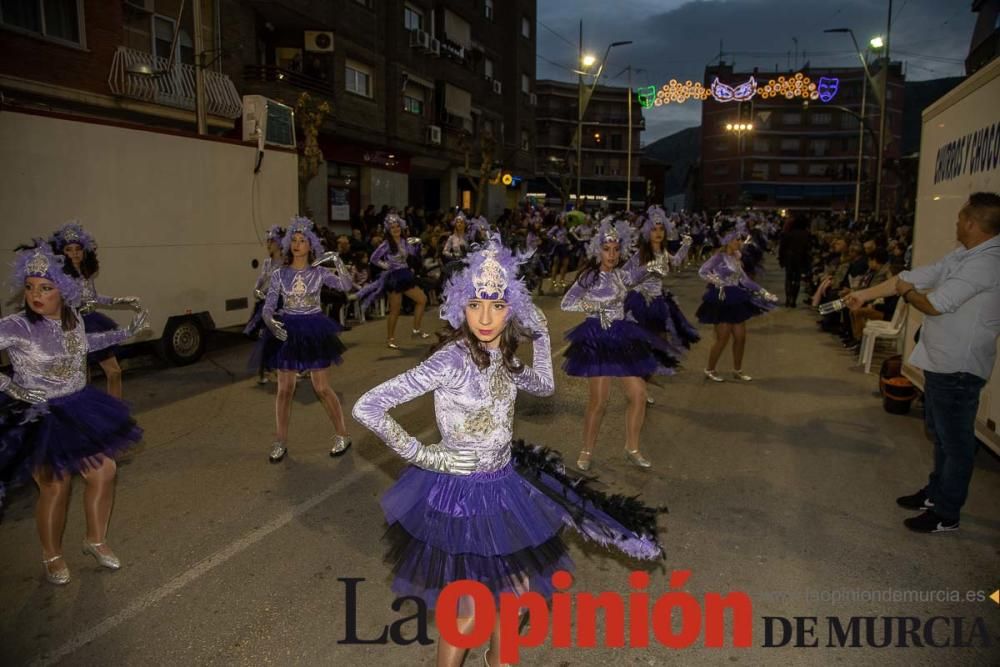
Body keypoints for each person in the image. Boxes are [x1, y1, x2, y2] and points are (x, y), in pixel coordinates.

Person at [353, 236, 663, 667]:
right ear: (460, 306)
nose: (485, 317)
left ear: (510, 309)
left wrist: (543, 335)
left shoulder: (507, 359)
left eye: (497, 306)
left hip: (502, 487)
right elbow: (367, 405)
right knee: (466, 613)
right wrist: (427, 456)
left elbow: (545, 385)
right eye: (476, 304)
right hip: (459, 496)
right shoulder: (451, 360)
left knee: (515, 596)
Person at [846, 192, 1000, 533]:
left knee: (956, 443)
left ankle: (947, 512)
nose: (957, 223)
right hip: (942, 362)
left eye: (961, 218)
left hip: (959, 367)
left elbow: (933, 304)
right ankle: (936, 492)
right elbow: (914, 277)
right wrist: (866, 295)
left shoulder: (985, 263)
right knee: (941, 436)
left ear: (973, 223)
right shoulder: (964, 254)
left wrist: (905, 292)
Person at [0, 243, 148, 585]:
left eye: (46, 288)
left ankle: (95, 540)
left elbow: (85, 345)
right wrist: (14, 389)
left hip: (77, 407)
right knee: (55, 485)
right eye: (31, 287)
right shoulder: (17, 325)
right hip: (38, 416)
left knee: (105, 470)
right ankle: (52, 555)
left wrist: (128, 332)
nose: (36, 294)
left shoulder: (73, 317)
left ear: (63, 292)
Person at [561, 218, 678, 470]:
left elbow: (644, 270)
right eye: (606, 249)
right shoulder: (589, 277)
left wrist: (656, 265)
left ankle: (632, 448)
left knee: (638, 394)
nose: (612, 254)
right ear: (597, 250)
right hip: (597, 338)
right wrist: (594, 306)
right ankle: (587, 450)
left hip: (621, 336)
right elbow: (566, 303)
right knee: (599, 401)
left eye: (615, 249)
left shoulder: (623, 276)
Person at [259, 217, 354, 463]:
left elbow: (346, 285)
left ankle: (342, 434)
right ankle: (280, 440)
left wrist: (337, 260)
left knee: (321, 387)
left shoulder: (319, 272)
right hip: (287, 330)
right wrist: (270, 321)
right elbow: (268, 306)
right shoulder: (280, 274)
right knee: (284, 390)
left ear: (311, 246)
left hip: (314, 328)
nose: (297, 244)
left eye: (303, 241)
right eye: (294, 240)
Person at [50, 222, 144, 399]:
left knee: (114, 372)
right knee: (83, 381)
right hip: (72, 327)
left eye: (78, 248)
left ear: (85, 251)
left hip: (92, 323)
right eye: (69, 249)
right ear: (61, 253)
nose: (75, 253)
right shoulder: (60, 278)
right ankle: (88, 419)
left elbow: (93, 298)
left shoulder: (85, 273)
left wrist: (121, 300)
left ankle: (116, 413)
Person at [696, 227, 778, 382]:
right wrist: (717, 281)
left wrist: (764, 292)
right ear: (728, 241)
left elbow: (745, 280)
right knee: (723, 337)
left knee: (741, 337)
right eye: (737, 239)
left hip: (736, 298)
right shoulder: (719, 257)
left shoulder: (736, 257)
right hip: (721, 298)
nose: (740, 242)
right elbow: (702, 271)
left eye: (740, 239)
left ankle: (737, 370)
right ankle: (710, 369)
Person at [356, 212, 430, 350]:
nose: (396, 229)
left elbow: (413, 253)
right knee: (395, 309)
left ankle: (416, 330)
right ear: (389, 231)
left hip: (406, 275)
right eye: (393, 228)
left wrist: (419, 247)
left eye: (397, 227)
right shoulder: (386, 244)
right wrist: (386, 266)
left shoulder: (404, 242)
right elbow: (373, 258)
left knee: (422, 299)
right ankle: (390, 338)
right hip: (394, 278)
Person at [244, 224, 285, 384]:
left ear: (279, 243)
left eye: (271, 241)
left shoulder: (285, 262)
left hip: (281, 302)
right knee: (269, 337)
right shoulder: (268, 262)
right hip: (268, 302)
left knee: (281, 336)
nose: (268, 244)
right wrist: (256, 289)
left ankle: (276, 368)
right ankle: (266, 370)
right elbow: (262, 278)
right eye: (267, 242)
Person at [778, 214, 812, 307]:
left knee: (788, 279)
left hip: (789, 257)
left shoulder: (788, 233)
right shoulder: (806, 234)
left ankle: (788, 299)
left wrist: (781, 259)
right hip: (800, 258)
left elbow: (782, 248)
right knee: (797, 279)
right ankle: (794, 301)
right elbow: (808, 248)